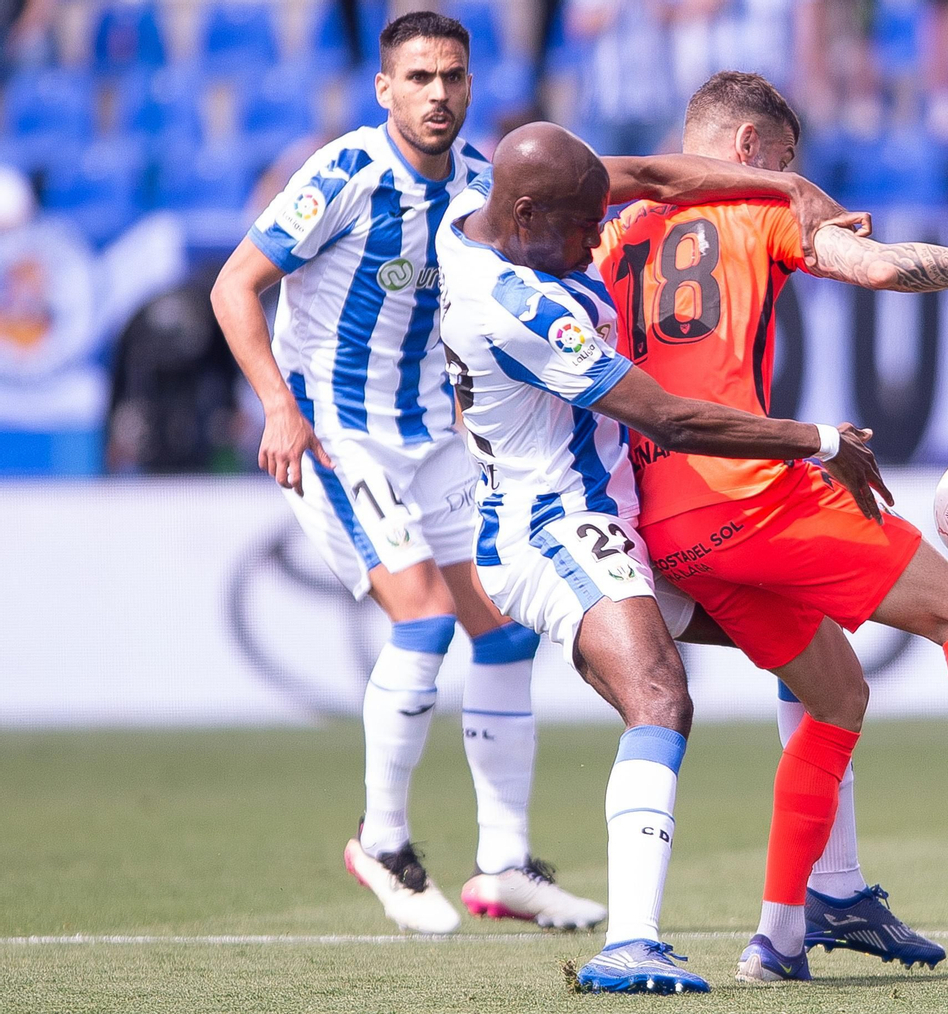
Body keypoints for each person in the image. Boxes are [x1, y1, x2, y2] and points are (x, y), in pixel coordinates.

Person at [210, 11, 861, 937]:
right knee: (426, 615)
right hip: (337, 433)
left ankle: (504, 863)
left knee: (505, 635)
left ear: (471, 86)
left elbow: (654, 174)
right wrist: (277, 405)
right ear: (385, 89)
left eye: (454, 77)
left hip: (436, 433)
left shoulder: (494, 177)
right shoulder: (345, 174)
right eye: (420, 78)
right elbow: (234, 284)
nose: (439, 94)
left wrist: (778, 184)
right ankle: (383, 842)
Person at [595, 71, 948, 984]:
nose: (796, 177)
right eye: (789, 160)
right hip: (748, 492)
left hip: (662, 524)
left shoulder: (611, 230)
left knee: (834, 696)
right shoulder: (758, 204)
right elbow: (884, 266)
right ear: (750, 150)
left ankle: (779, 941)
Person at [434, 121, 888, 994]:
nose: (594, 239)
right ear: (526, 213)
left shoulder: (477, 211)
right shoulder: (522, 308)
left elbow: (642, 171)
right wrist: (819, 439)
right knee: (660, 695)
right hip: (556, 526)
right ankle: (629, 943)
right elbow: (671, 418)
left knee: (809, 643)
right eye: (579, 228)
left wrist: (784, 189)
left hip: (622, 515)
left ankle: (829, 894)